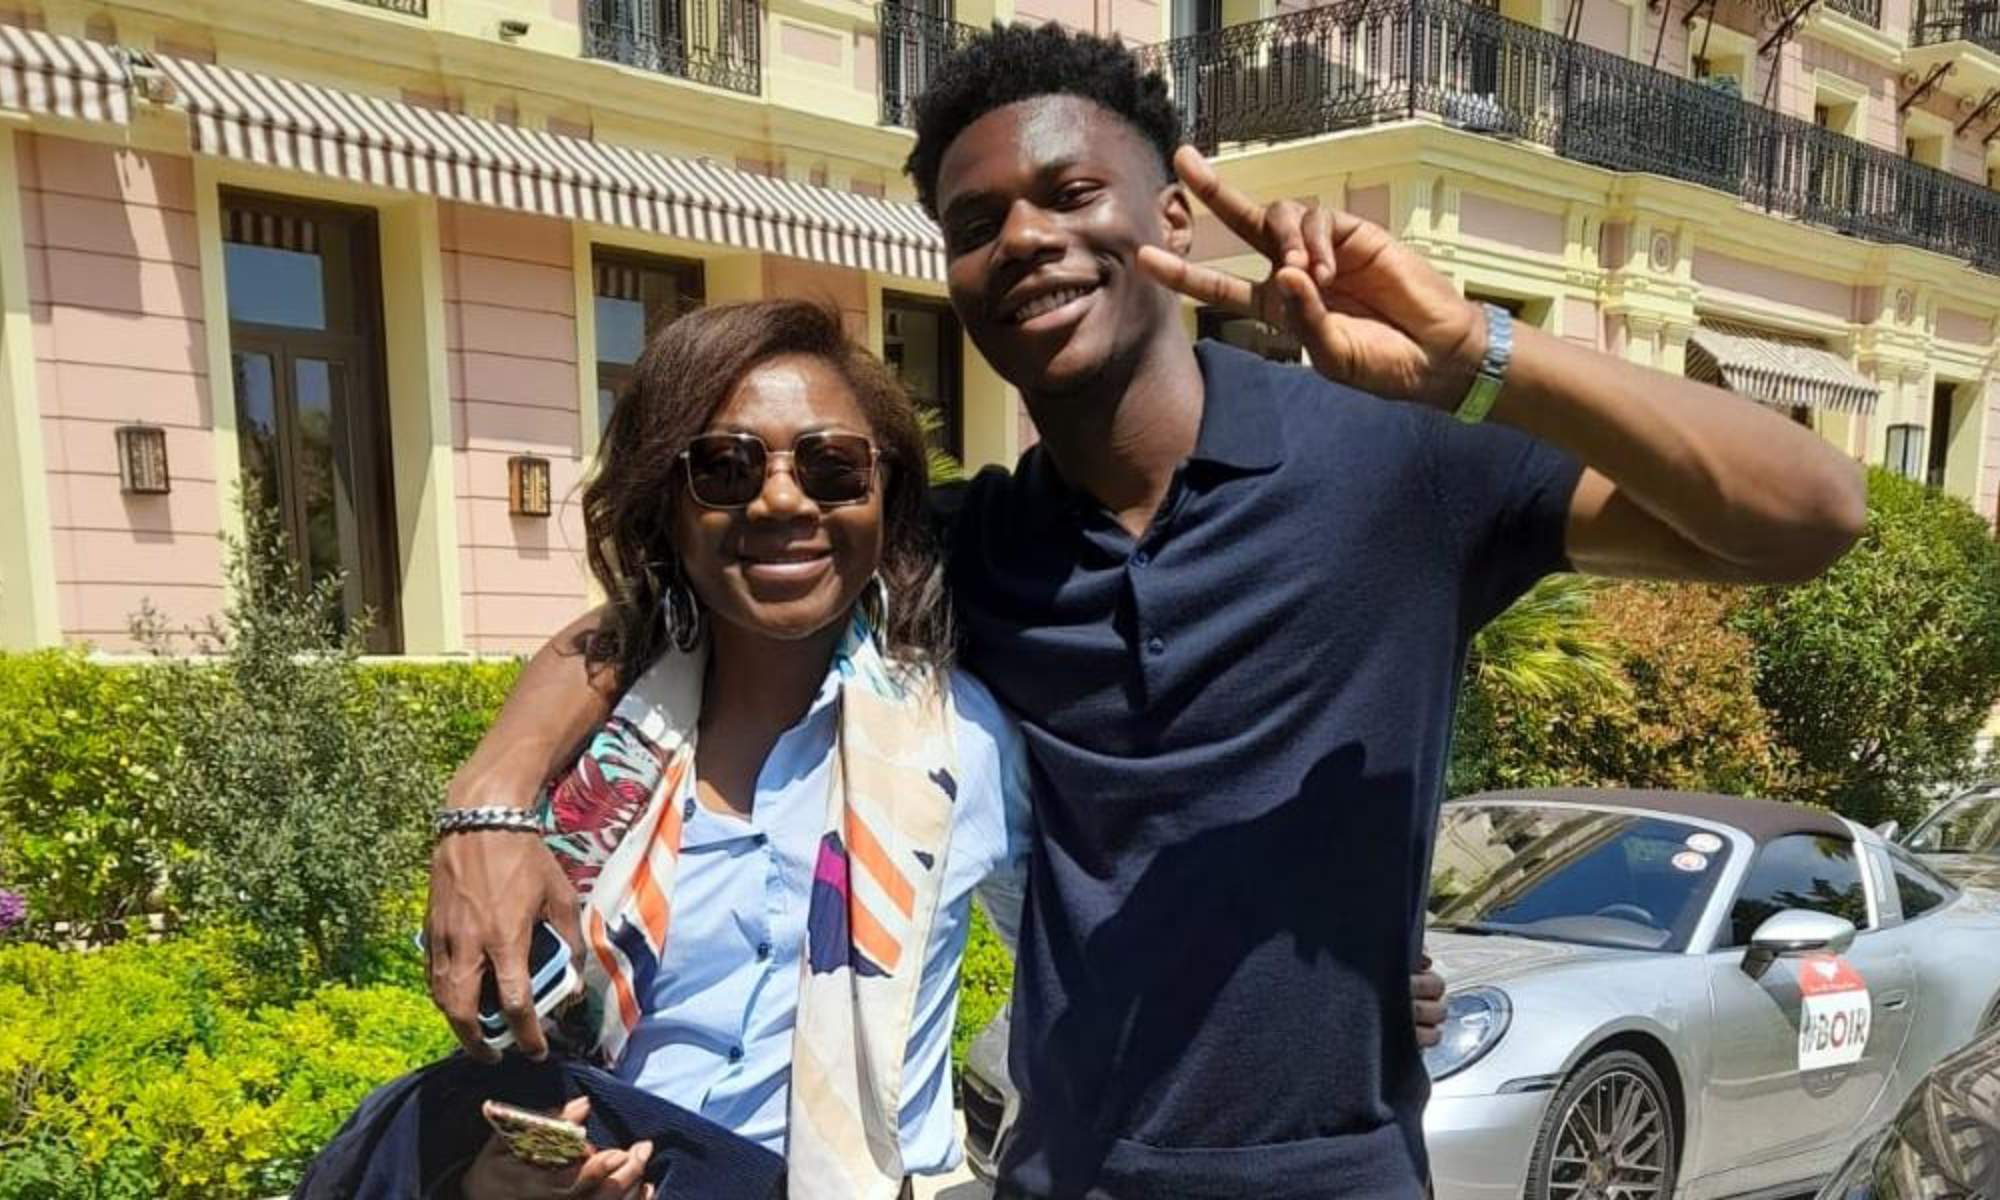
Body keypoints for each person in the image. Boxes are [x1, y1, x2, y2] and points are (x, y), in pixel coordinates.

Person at [428, 26, 1866, 1200]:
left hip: (1341, 1172)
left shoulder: (1397, 464)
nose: (1026, 241)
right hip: (1063, 1171)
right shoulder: (971, 549)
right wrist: (491, 800)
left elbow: (1810, 519)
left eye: (1068, 195)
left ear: (1170, 213)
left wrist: (1480, 355)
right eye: (976, 223)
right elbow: (690, 595)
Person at [411, 299, 1034, 1199]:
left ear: (886, 492)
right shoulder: (576, 759)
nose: (782, 498)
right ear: (668, 501)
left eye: (831, 465)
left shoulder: (966, 742)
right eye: (725, 467)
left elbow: (1074, 971)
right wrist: (498, 1185)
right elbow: (507, 1049)